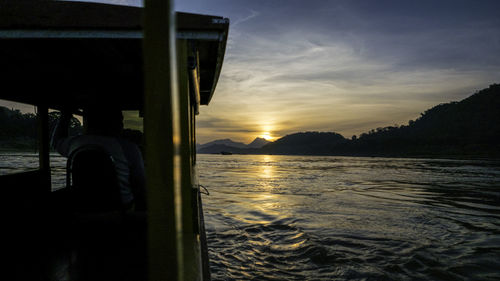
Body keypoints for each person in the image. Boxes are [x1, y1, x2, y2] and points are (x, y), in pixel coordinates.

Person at [52, 106, 146, 211]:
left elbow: (56, 142)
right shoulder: (128, 147)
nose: (122, 125)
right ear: (114, 123)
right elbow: (140, 183)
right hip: (121, 209)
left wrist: (65, 116)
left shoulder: (75, 143)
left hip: (82, 207)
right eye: (120, 121)